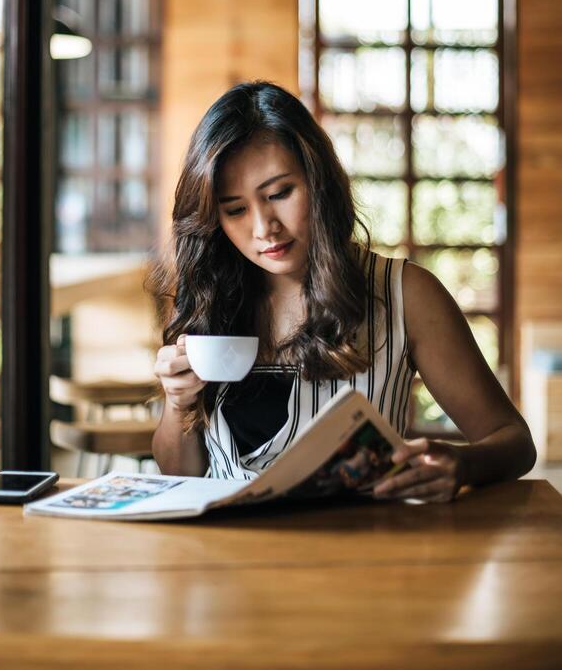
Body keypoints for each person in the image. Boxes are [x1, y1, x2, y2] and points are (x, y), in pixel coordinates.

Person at [151, 81, 535, 503]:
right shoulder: (212, 297)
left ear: (319, 182)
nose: (264, 228)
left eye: (279, 193)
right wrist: (178, 403)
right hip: (227, 554)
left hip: (360, 551)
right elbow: (178, 471)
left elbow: (515, 442)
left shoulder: (405, 294)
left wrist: (462, 464)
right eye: (236, 209)